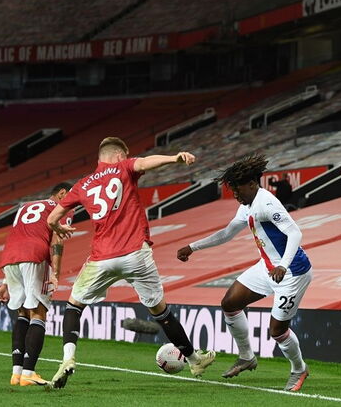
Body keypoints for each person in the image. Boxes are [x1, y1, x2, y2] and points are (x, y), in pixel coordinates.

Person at [46, 137, 216, 389]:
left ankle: (68, 359)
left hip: (101, 258)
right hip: (135, 252)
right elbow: (146, 163)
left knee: (74, 306)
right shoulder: (124, 167)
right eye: (126, 155)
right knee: (161, 312)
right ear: (118, 155)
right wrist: (174, 158)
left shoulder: (82, 184)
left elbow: (52, 219)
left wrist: (58, 227)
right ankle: (194, 360)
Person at [177, 154, 312, 392]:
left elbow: (295, 233)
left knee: (277, 331)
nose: (235, 195)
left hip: (292, 273)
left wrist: (283, 265)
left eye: (237, 189)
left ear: (251, 184)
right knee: (230, 303)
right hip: (269, 267)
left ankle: (299, 369)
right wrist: (193, 247)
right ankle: (246, 356)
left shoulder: (266, 203)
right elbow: (227, 234)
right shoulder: (247, 205)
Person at [0, 182, 72, 388]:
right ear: (62, 194)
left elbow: (19, 235)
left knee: (22, 313)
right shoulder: (59, 208)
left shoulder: (25, 207)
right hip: (35, 255)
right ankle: (29, 372)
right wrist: (55, 273)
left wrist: (4, 282)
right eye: (72, 198)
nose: (73, 204)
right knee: (39, 312)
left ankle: (16, 373)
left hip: (10, 257)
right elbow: (56, 240)